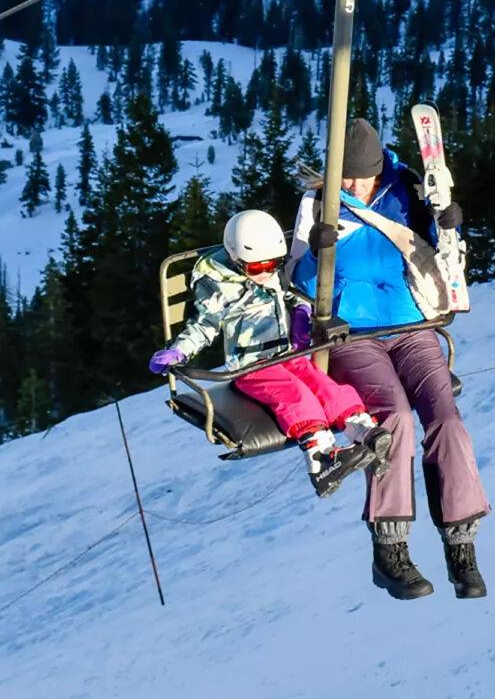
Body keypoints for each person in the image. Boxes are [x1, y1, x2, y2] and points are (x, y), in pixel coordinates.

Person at [290, 118, 489, 602]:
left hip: (412, 326)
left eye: (361, 176)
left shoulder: (408, 191)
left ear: (379, 169)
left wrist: (447, 223)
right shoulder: (318, 204)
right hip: (353, 334)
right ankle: (390, 548)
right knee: (394, 418)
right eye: (345, 177)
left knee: (447, 421)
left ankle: (460, 544)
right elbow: (295, 276)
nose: (353, 185)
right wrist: (318, 255)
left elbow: (441, 252)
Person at [149, 208, 390, 498]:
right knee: (295, 395)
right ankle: (321, 460)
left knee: (325, 386)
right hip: (252, 365)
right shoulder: (219, 287)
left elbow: (287, 291)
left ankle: (362, 429)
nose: (265, 273)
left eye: (272, 264)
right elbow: (205, 325)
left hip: (286, 355)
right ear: (237, 259)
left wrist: (302, 310)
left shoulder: (269, 274)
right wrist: (178, 352)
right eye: (255, 268)